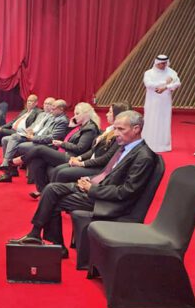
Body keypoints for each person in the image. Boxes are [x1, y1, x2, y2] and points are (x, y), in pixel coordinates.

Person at [9, 110, 157, 259]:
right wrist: (89, 179)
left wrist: (92, 188)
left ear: (136, 129)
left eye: (121, 129)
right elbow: (107, 173)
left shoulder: (143, 157)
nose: (116, 133)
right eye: (115, 128)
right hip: (100, 188)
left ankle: (50, 243)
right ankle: (37, 235)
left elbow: (127, 191)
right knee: (51, 189)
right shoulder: (125, 147)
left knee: (53, 199)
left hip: (110, 203)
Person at [29, 102, 132, 198]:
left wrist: (81, 162)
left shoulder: (94, 129)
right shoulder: (106, 130)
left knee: (51, 161)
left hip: (97, 166)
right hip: (83, 158)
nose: (106, 114)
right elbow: (93, 150)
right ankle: (48, 196)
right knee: (55, 167)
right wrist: (79, 158)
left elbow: (104, 157)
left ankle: (53, 198)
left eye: (110, 112)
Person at [21, 102, 101, 192]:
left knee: (40, 149)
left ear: (86, 114)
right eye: (75, 113)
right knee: (38, 159)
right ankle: (42, 191)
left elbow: (80, 148)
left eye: (77, 114)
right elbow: (67, 137)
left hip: (72, 157)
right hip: (65, 153)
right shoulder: (82, 126)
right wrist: (70, 127)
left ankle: (21, 160)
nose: (75, 116)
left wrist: (62, 144)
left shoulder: (89, 129)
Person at [0, 97, 60, 182]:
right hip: (29, 135)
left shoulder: (53, 118)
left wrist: (33, 136)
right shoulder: (42, 114)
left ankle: (6, 165)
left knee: (13, 137)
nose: (46, 106)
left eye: (49, 104)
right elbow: (34, 125)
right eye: (45, 103)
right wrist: (29, 130)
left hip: (37, 138)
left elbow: (47, 134)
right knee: (5, 139)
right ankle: (12, 170)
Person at [0, 94, 40, 165]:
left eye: (31, 101)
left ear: (36, 103)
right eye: (28, 100)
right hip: (13, 130)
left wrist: (1, 129)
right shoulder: (25, 111)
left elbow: (36, 124)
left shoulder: (38, 112)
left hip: (22, 132)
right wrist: (1, 127)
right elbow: (13, 121)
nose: (29, 102)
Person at [143, 54, 181, 152]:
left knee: (164, 121)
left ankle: (163, 145)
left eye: (165, 63)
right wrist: (165, 82)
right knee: (151, 120)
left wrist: (166, 87)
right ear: (157, 63)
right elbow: (149, 84)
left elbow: (177, 83)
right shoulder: (149, 73)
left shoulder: (171, 72)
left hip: (165, 101)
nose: (164, 65)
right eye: (162, 63)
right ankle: (148, 144)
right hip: (152, 101)